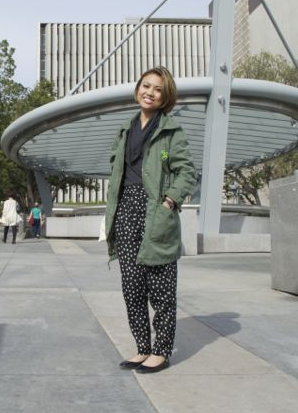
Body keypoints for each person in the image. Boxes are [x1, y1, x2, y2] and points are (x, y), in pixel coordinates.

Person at [104, 66, 197, 374]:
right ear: (137, 90)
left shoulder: (171, 131)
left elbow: (187, 172)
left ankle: (162, 350)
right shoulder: (124, 130)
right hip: (125, 211)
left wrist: (170, 200)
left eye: (158, 89)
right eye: (146, 86)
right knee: (131, 287)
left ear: (165, 97)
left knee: (160, 288)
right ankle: (143, 348)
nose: (150, 92)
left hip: (156, 211)